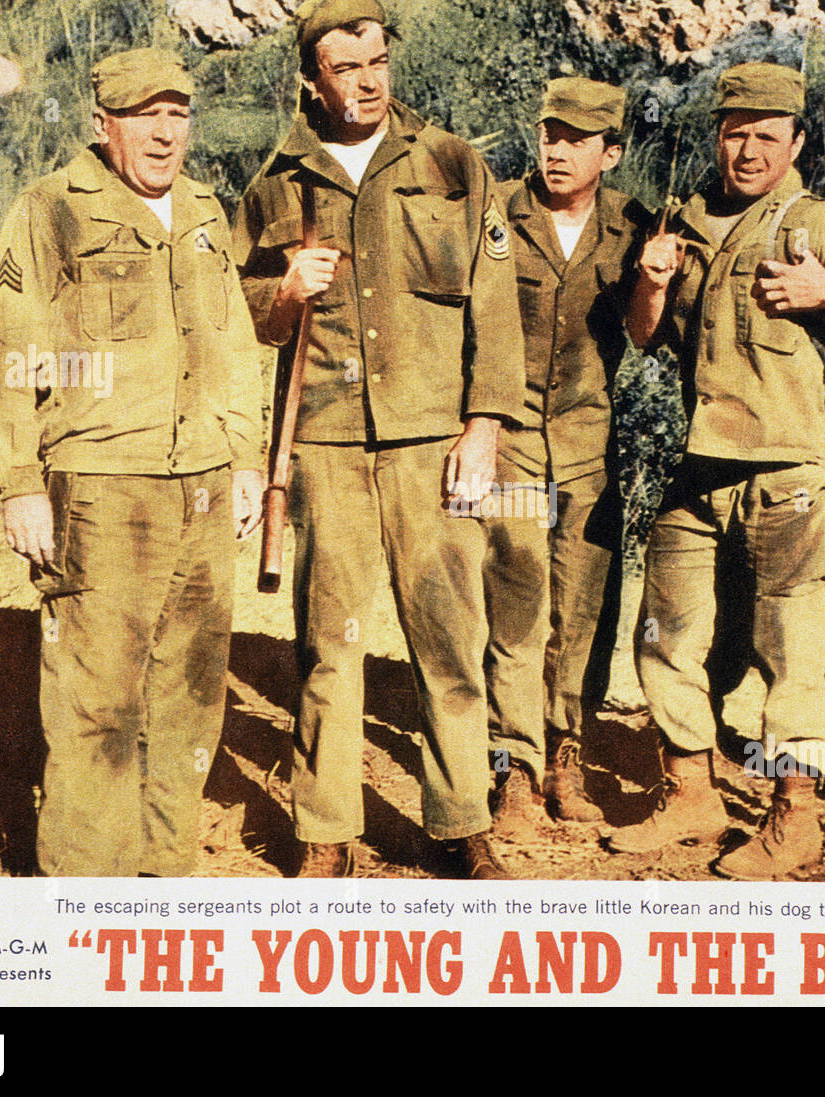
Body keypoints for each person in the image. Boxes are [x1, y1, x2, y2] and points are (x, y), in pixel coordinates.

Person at [614, 61, 825, 877]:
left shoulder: (823, 225)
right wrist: (651, 283)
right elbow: (645, 335)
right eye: (735, 134)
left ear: (795, 141)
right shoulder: (680, 219)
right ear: (718, 137)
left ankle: (794, 816)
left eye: (767, 136)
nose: (749, 150)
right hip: (698, 468)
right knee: (664, 633)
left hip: (789, 472)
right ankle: (689, 792)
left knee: (794, 651)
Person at [231, 0, 526, 879]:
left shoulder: (450, 164)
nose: (367, 80)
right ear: (311, 80)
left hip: (431, 443)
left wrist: (485, 427)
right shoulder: (275, 184)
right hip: (323, 444)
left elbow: (494, 307)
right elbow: (248, 318)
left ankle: (462, 823)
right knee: (329, 642)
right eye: (345, 67)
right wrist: (286, 289)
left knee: (449, 637)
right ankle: (325, 833)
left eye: (377, 61)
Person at [0, 48, 266, 876]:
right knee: (96, 704)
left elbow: (234, 346)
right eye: (146, 115)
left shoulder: (207, 210)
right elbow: (7, 350)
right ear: (104, 126)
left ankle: (165, 884)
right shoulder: (52, 209)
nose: (166, 132)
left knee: (190, 700)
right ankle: (85, 899)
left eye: (178, 113)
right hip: (100, 491)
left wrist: (245, 456)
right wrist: (20, 482)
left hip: (204, 486)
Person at [484, 77, 652, 834]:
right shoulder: (492, 210)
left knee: (583, 612)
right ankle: (512, 767)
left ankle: (566, 753)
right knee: (515, 606)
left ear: (610, 153)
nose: (556, 151)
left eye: (577, 141)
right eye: (550, 134)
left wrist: (654, 280)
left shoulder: (634, 227)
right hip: (511, 443)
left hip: (588, 447)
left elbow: (650, 331)